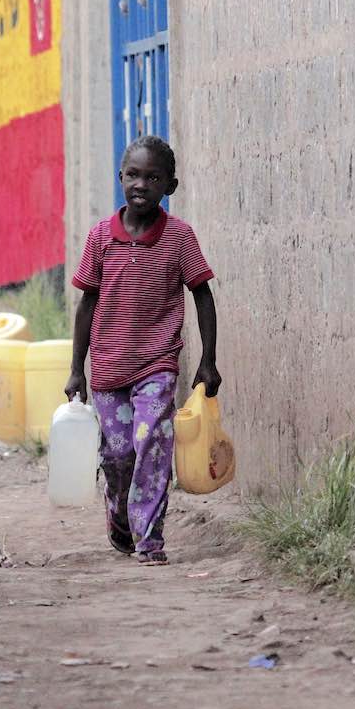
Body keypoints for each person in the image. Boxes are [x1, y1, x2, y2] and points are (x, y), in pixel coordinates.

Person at [64, 135, 220, 565]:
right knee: (118, 455)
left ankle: (149, 539)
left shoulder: (179, 238)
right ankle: (119, 519)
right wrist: (77, 368)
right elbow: (87, 303)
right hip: (110, 370)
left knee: (152, 441)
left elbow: (202, 295)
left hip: (157, 364)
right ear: (120, 178)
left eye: (153, 177)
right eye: (133, 175)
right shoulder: (100, 238)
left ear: (169, 185)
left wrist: (208, 359)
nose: (141, 185)